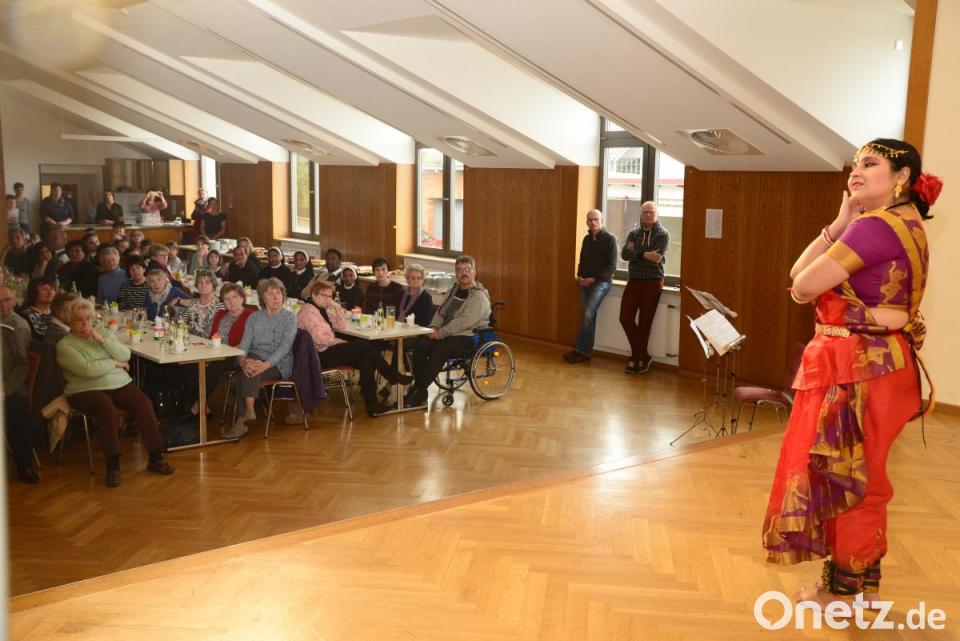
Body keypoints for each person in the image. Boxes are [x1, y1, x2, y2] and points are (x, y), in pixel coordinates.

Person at [762, 139, 941, 609]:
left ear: (902, 177)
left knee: (848, 476)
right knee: (865, 475)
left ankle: (839, 590)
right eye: (855, 165)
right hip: (886, 366)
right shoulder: (903, 222)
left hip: (860, 370)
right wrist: (841, 222)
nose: (856, 172)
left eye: (871, 163)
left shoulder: (876, 227)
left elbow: (802, 285)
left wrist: (847, 227)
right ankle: (863, 582)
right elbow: (800, 277)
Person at [56, 297, 175, 487]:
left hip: (116, 382)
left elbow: (125, 355)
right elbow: (87, 370)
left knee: (143, 403)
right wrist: (113, 363)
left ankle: (155, 456)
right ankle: (112, 465)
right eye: (79, 320)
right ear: (70, 321)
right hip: (84, 389)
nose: (85, 323)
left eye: (88, 318)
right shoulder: (65, 345)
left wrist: (101, 339)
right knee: (106, 408)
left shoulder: (102, 332)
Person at [298, 281, 411, 417]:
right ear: (314, 295)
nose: (328, 299)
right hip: (318, 355)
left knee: (365, 361)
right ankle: (392, 375)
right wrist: (342, 342)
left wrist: (337, 306)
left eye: (330, 296)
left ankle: (373, 406)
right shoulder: (308, 311)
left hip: (328, 350)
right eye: (325, 296)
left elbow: (341, 324)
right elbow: (320, 340)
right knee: (362, 346)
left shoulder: (323, 309)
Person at [405, 255, 490, 407]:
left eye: (467, 269)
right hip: (446, 332)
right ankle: (421, 392)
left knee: (440, 348)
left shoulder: (479, 296)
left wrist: (440, 333)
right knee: (420, 344)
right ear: (456, 273)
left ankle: (418, 389)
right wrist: (434, 327)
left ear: (474, 272)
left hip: (468, 335)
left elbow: (463, 322)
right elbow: (440, 312)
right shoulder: (454, 289)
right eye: (459, 270)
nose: (463, 273)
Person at [228, 277, 297, 439]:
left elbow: (285, 348)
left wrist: (265, 364)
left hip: (279, 363)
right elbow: (244, 345)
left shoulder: (290, 318)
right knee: (249, 367)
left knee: (244, 376)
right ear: (263, 298)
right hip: (253, 357)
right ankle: (248, 412)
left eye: (278, 293)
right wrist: (242, 362)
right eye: (270, 293)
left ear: (283, 295)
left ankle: (242, 420)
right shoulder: (254, 317)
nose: (275, 297)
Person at [619, 201, 669, 374]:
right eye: (645, 212)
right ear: (641, 214)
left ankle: (636, 358)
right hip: (634, 281)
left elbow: (656, 258)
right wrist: (644, 253)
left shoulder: (663, 235)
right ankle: (643, 356)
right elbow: (625, 254)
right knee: (625, 318)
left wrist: (637, 253)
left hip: (653, 283)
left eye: (651, 212)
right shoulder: (633, 234)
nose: (648, 215)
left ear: (657, 214)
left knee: (645, 323)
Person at [565, 209, 618, 364]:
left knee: (588, 314)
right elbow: (582, 260)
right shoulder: (587, 239)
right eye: (590, 220)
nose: (593, 222)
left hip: (601, 283)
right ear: (587, 222)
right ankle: (584, 352)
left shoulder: (610, 239)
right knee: (588, 316)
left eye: (596, 219)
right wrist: (580, 276)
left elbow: (611, 266)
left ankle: (580, 350)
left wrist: (593, 279)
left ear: (602, 221)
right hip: (585, 282)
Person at [1, 285, 39, 483]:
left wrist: (5, 389)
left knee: (16, 410)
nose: (3, 305)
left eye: (7, 300)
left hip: (12, 384)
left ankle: (25, 465)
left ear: (15, 301)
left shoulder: (18, 326)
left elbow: (22, 366)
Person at [175, 270, 223, 338]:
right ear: (196, 285)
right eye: (200, 282)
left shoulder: (220, 306)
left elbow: (220, 333)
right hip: (188, 340)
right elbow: (181, 324)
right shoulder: (193, 303)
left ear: (214, 285)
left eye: (207, 282)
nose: (203, 285)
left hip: (209, 343)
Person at [18, 276, 56, 340]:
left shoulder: (57, 312)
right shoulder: (25, 315)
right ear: (34, 293)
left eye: (52, 289)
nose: (50, 292)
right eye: (45, 289)